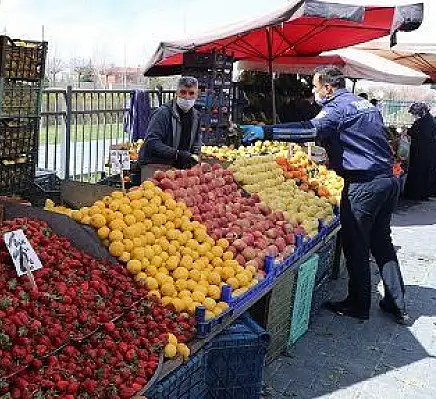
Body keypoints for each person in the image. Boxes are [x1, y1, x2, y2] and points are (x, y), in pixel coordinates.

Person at [241, 65, 408, 324]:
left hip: (363, 185)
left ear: (328, 88)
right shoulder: (364, 105)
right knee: (381, 240)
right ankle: (396, 302)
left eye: (315, 86)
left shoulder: (337, 108)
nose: (313, 91)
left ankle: (358, 303)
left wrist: (267, 131)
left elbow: (311, 129)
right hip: (388, 179)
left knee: (356, 243)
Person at [138, 76, 202, 181]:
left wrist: (195, 155)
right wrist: (176, 154)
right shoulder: (163, 113)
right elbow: (152, 141)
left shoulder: (196, 116)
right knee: (154, 196)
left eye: (191, 93)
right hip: (155, 166)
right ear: (177, 93)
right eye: (183, 92)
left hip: (178, 170)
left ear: (196, 95)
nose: (187, 97)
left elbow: (197, 140)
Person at [403, 102, 436, 200]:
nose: (414, 115)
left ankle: (416, 194)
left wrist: (408, 131)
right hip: (424, 152)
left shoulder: (426, 121)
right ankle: (419, 193)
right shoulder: (428, 120)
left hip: (422, 153)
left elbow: (420, 134)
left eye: (415, 113)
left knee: (419, 173)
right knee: (422, 173)